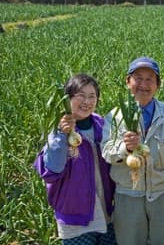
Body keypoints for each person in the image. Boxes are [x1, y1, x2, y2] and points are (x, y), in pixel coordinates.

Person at [101, 56, 164, 245]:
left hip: (163, 195)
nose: (143, 84)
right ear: (128, 82)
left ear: (158, 85)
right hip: (128, 195)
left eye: (150, 79)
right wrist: (125, 148)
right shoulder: (114, 116)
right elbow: (106, 151)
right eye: (138, 78)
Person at [34, 73, 116, 244]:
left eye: (92, 96)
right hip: (75, 219)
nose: (87, 101)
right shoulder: (58, 131)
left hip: (106, 212)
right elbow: (52, 170)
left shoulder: (102, 125)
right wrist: (61, 135)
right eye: (80, 96)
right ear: (68, 99)